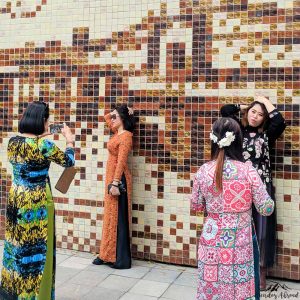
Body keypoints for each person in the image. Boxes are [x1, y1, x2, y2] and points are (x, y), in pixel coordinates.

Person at [191, 117, 275, 300]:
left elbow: (196, 206)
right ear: (238, 141)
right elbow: (266, 208)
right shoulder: (248, 171)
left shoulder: (203, 171)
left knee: (211, 289)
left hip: (211, 240)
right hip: (241, 242)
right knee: (240, 291)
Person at [0, 101, 75, 300]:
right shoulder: (45, 145)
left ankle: (11, 294)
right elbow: (69, 162)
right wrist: (69, 141)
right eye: (48, 120)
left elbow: (29, 152)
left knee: (15, 247)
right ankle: (35, 295)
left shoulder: (14, 141)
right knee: (38, 249)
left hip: (16, 199)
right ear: (42, 121)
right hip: (37, 203)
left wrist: (42, 135)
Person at [220, 95, 286, 289]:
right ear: (247, 112)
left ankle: (261, 272)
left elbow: (279, 121)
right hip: (240, 188)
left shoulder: (267, 134)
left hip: (262, 187)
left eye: (260, 114)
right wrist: (245, 105)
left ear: (264, 118)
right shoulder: (237, 132)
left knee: (263, 230)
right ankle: (240, 268)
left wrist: (264, 101)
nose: (255, 116)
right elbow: (225, 111)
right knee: (241, 229)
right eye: (253, 112)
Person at [93, 104, 135, 269]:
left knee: (118, 219)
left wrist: (116, 182)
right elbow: (106, 119)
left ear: (122, 119)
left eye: (115, 117)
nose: (111, 119)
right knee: (110, 216)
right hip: (111, 178)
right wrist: (113, 112)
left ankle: (120, 259)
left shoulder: (126, 136)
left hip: (119, 179)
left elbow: (121, 161)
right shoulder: (117, 132)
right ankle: (106, 254)